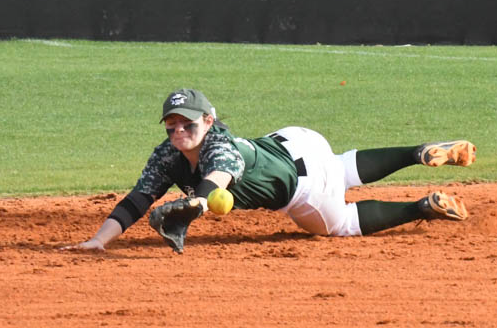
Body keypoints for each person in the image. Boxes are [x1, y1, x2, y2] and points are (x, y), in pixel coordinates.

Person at [63, 88, 475, 252]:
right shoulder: (166, 154)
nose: (179, 130)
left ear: (210, 120)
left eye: (188, 123)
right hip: (300, 141)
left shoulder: (220, 145)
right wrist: (100, 239)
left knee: (340, 224)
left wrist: (200, 201)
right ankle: (418, 151)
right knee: (341, 165)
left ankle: (421, 207)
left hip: (306, 189)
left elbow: (222, 171)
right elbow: (139, 199)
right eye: (172, 124)